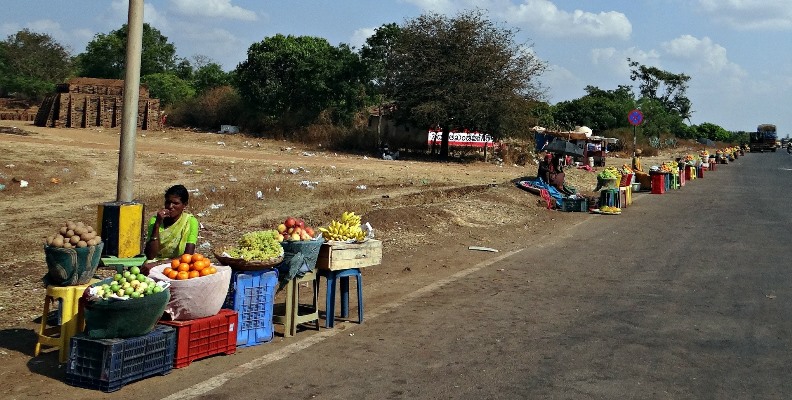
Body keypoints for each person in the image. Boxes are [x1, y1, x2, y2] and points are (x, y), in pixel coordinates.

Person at [144, 184, 199, 262]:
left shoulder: (190, 221)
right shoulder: (155, 220)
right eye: (168, 202)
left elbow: (188, 255)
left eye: (175, 203)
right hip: (154, 262)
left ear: (184, 205)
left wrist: (160, 264)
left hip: (179, 263)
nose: (170, 206)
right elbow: (150, 255)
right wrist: (157, 225)